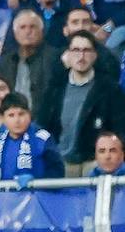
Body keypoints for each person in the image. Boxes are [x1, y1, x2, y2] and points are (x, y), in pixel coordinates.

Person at [39, 31, 125, 173]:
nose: (81, 55)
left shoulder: (109, 88)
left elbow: (119, 128)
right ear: (68, 54)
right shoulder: (55, 87)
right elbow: (42, 125)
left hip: (95, 164)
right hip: (60, 163)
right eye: (76, 50)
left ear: (95, 55)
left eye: (86, 50)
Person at [0, 92, 65, 186]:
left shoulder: (42, 138)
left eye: (21, 114)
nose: (17, 120)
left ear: (29, 115)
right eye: (11, 115)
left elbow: (57, 171)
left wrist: (37, 182)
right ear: (3, 119)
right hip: (3, 198)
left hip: (37, 197)